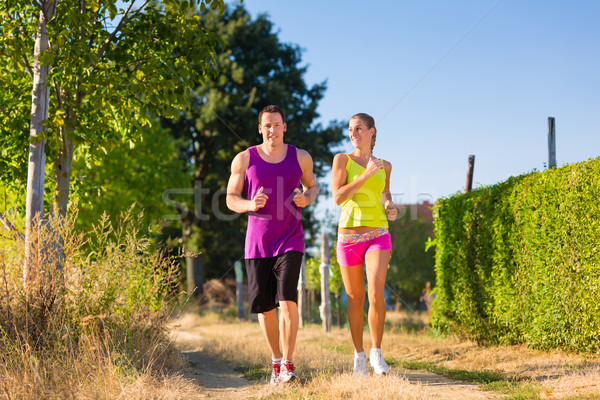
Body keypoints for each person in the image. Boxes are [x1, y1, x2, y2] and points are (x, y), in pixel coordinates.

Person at [226, 105, 318, 385]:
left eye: (277, 125)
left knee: (287, 299)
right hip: (258, 244)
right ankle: (276, 360)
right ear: (260, 128)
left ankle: (289, 363)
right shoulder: (244, 159)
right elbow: (231, 197)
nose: (272, 130)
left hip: (291, 238)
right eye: (267, 125)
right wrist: (249, 204)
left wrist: (307, 197)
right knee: (265, 308)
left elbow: (312, 186)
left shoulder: (300, 157)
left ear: (284, 127)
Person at [331, 112, 398, 376]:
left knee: (375, 293)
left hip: (378, 234)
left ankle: (376, 352)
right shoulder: (342, 160)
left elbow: (384, 193)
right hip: (348, 237)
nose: (353, 133)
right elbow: (337, 196)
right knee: (355, 298)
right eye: (350, 129)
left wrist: (390, 206)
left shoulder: (386, 166)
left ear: (371, 132)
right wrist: (364, 175)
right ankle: (359, 354)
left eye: (358, 128)